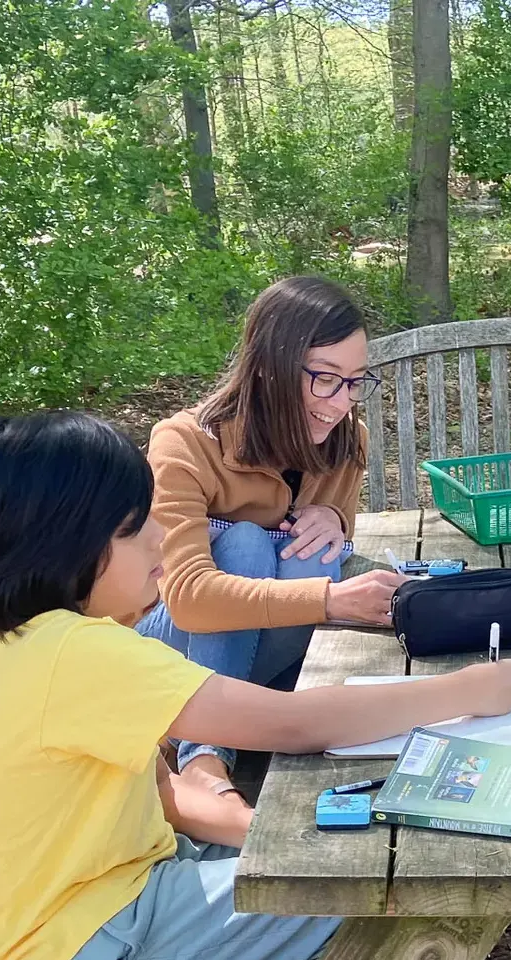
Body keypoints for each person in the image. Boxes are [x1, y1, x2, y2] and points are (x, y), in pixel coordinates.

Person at [0, 411, 511, 960]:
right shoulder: (77, 654)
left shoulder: (14, 647)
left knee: (334, 838)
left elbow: (164, 793)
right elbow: (296, 725)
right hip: (84, 945)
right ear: (52, 546)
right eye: (129, 529)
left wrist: (265, 830)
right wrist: (464, 691)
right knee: (384, 870)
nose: (160, 538)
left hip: (60, 925)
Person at [138, 275, 402, 794]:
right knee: (245, 544)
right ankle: (204, 755)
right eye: (325, 378)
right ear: (269, 369)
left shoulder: (348, 442)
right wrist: (332, 600)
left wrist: (336, 522)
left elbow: (333, 542)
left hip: (261, 670)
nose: (340, 402)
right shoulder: (183, 444)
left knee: (313, 549)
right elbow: (188, 600)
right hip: (163, 656)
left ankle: (231, 733)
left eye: (355, 381)